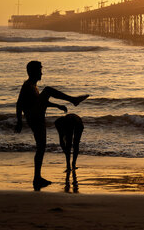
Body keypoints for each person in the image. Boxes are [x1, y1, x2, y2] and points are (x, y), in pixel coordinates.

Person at [15, 60, 89, 191]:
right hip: (34, 116)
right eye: (39, 70)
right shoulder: (27, 85)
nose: (41, 73)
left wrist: (57, 105)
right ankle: (73, 100)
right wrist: (19, 122)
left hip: (37, 116)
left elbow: (41, 102)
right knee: (48, 89)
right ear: (33, 72)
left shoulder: (33, 86)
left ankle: (37, 178)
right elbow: (19, 104)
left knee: (41, 147)